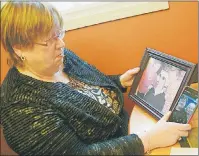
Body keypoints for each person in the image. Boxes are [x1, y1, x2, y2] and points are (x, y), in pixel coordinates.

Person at [0, 1, 191, 155]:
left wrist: (119, 81)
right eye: (49, 40)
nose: (61, 44)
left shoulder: (59, 58)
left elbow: (84, 90)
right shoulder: (20, 109)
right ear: (19, 48)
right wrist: (148, 140)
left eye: (59, 33)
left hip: (134, 134)